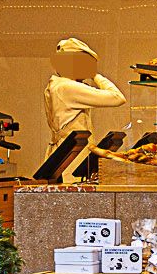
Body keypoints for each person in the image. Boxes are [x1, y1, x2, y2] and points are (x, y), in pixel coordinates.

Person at [44, 37, 125, 182]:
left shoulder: (56, 85)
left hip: (67, 155)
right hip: (72, 158)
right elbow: (117, 97)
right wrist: (96, 75)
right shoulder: (67, 87)